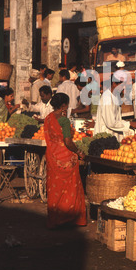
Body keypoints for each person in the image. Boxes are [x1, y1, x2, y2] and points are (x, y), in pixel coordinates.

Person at [44, 92, 87, 229]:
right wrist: (79, 152)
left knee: (54, 188)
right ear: (63, 105)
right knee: (70, 189)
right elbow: (68, 142)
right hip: (66, 159)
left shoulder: (48, 118)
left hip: (52, 157)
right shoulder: (64, 120)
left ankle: (55, 219)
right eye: (67, 105)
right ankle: (69, 218)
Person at [92, 74, 136, 141]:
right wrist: (130, 124)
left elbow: (117, 119)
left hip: (113, 137)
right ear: (114, 84)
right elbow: (111, 123)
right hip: (105, 138)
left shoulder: (116, 96)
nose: (124, 88)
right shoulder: (107, 98)